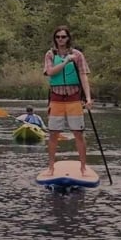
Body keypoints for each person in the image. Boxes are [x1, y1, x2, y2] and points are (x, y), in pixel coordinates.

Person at [43, 26, 92, 176]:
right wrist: (65, 62)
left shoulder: (77, 55)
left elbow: (83, 76)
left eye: (63, 37)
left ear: (68, 38)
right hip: (56, 99)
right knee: (53, 134)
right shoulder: (50, 54)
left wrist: (88, 98)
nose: (60, 40)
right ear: (55, 38)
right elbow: (50, 72)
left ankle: (83, 167)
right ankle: (51, 167)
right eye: (58, 37)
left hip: (74, 98)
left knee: (78, 133)